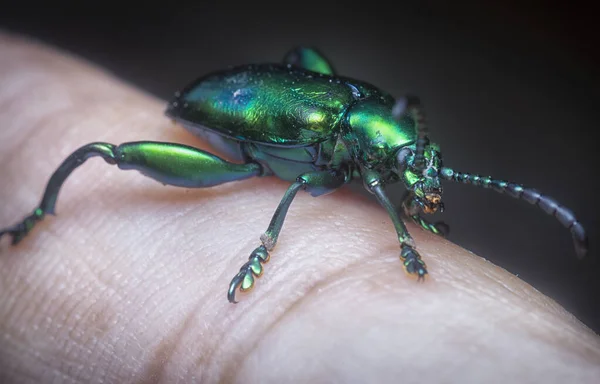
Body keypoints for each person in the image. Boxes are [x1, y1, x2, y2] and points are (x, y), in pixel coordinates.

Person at [0, 32, 598, 383]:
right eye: (411, 169)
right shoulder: (345, 146)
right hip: (233, 131)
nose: (418, 184)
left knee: (320, 82)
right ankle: (40, 213)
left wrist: (415, 187)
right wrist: (400, 240)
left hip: (297, 111)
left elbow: (390, 164)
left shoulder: (378, 122)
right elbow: (309, 186)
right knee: (108, 152)